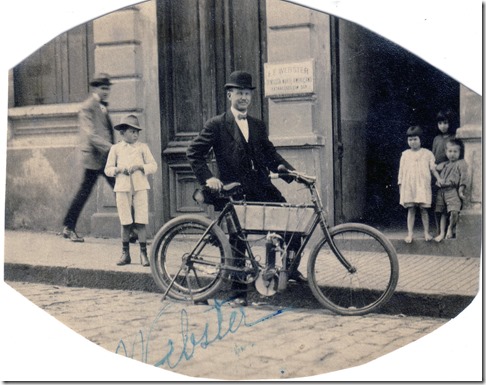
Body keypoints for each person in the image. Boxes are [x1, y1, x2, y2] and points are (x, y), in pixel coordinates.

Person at [186, 70, 306, 307]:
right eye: (238, 93)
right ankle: (238, 294)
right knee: (238, 242)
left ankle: (288, 270)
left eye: (246, 94)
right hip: (235, 190)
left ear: (251, 97)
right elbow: (194, 153)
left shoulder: (257, 125)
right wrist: (208, 178)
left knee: (291, 224)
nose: (243, 98)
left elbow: (270, 154)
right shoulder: (217, 124)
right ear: (230, 95)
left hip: (261, 187)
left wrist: (288, 170)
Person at [61, 73, 116, 242]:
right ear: (95, 88)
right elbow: (91, 135)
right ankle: (69, 227)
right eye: (102, 88)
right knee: (86, 192)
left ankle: (134, 229)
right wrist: (112, 148)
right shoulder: (87, 107)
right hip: (94, 158)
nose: (106, 91)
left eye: (107, 88)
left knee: (120, 189)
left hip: (105, 157)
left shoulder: (101, 105)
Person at [104, 114, 158, 266]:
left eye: (137, 132)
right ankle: (125, 253)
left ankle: (143, 254)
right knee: (125, 221)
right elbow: (108, 169)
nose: (135, 135)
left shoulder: (143, 148)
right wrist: (119, 170)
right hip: (122, 188)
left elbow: (154, 166)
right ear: (122, 133)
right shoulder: (116, 149)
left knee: (141, 220)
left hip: (140, 187)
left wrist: (141, 167)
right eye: (132, 131)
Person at [398, 126, 443, 243]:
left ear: (420, 139)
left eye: (415, 139)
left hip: (422, 185)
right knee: (411, 209)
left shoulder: (427, 154)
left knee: (424, 209)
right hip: (410, 186)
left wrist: (438, 178)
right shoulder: (405, 154)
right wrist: (400, 185)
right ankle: (410, 234)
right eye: (410, 140)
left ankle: (426, 232)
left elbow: (433, 169)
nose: (412, 142)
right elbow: (401, 171)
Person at [434, 139, 469, 242]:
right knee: (441, 212)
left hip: (452, 190)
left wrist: (461, 190)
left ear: (460, 152)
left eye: (455, 151)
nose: (452, 154)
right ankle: (441, 233)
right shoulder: (445, 164)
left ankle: (450, 228)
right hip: (442, 191)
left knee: (454, 211)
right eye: (450, 151)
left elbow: (463, 177)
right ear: (446, 152)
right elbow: (436, 167)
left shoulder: (461, 163)